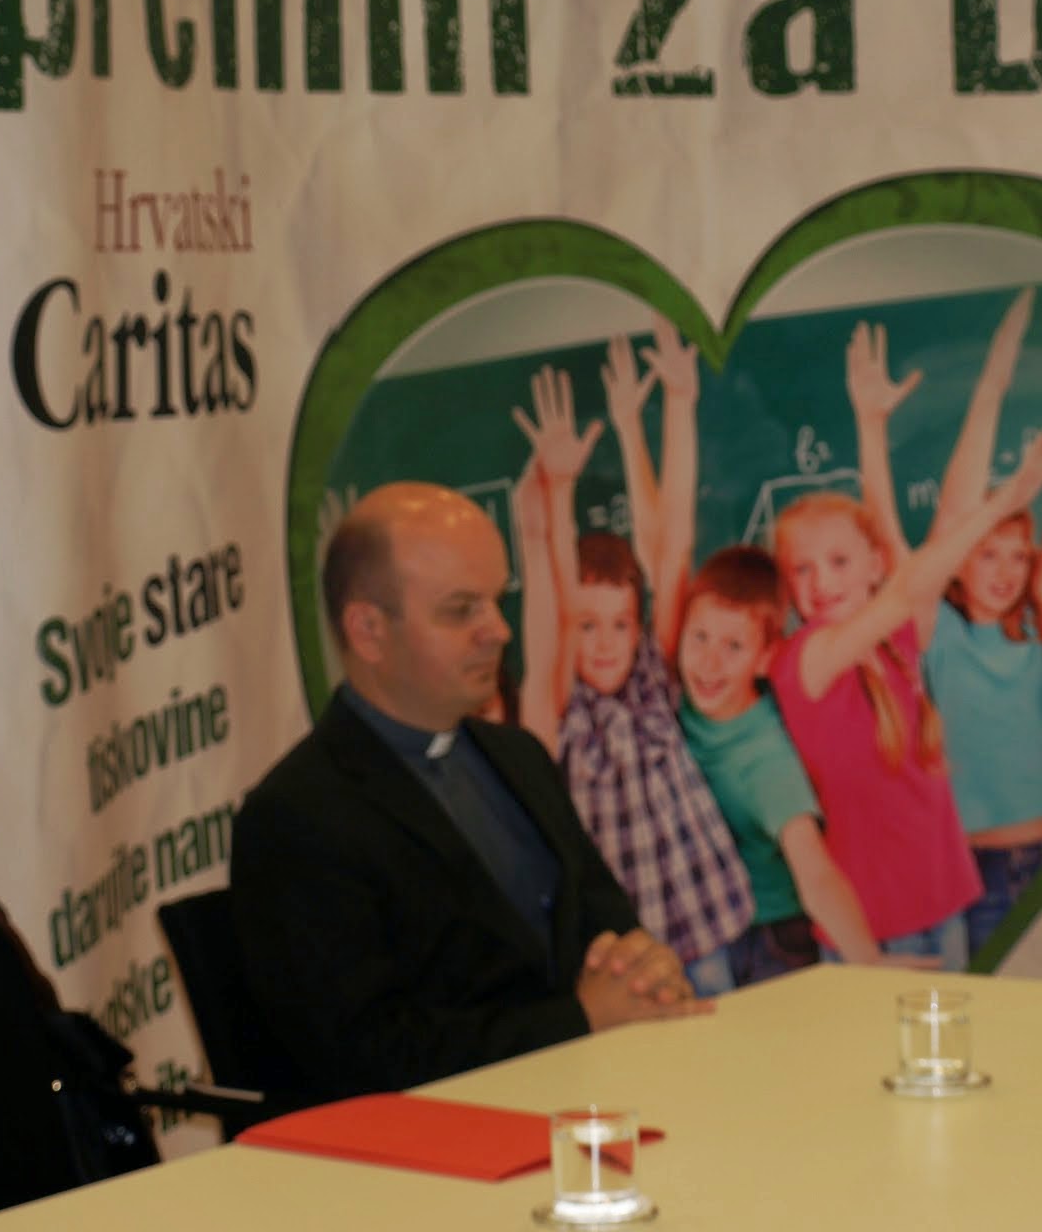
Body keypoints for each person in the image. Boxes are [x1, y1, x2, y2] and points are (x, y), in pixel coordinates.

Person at [229, 480, 707, 1100]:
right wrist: (579, 1020)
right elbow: (363, 1058)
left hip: (594, 1099)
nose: (498, 631)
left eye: (497, 601)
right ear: (368, 631)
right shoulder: (298, 817)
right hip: (435, 1143)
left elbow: (606, 922)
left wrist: (644, 970)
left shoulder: (517, 756)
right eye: (461, 611)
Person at [767, 322, 1042, 972]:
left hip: (943, 902)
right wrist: (1004, 504)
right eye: (801, 570)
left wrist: (872, 427)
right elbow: (903, 586)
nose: (821, 583)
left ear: (871, 564)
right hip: (867, 930)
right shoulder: (805, 661)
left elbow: (923, 535)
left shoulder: (897, 642)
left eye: (838, 562)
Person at [510, 337, 754, 998]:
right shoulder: (560, 711)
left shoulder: (651, 683)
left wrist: (679, 402)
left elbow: (671, 544)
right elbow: (557, 618)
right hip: (630, 965)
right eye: (590, 627)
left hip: (713, 932)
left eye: (619, 624)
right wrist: (558, 492)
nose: (605, 643)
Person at [907, 288, 1042, 956]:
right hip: (978, 869)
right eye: (987, 554)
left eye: (1018, 556)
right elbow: (955, 511)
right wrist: (994, 376)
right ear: (958, 564)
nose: (1005, 572)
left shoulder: (1038, 618)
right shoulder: (939, 632)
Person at [674, 545, 894, 985]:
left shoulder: (765, 762)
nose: (710, 661)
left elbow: (815, 874)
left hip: (773, 937)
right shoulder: (679, 706)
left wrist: (870, 965)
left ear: (764, 658)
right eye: (699, 637)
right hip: (714, 926)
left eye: (734, 646)